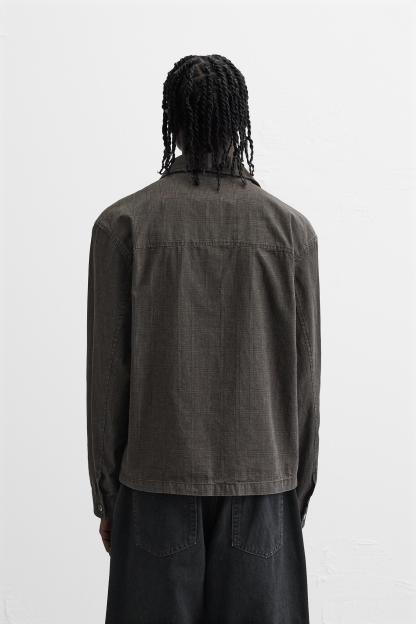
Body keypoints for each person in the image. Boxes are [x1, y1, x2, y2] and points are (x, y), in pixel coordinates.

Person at [86, 54, 321, 624]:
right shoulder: (291, 233)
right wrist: (294, 494)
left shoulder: (123, 227)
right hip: (263, 488)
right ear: (240, 120)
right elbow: (305, 382)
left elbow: (107, 380)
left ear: (173, 121)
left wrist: (110, 497)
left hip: (154, 487)